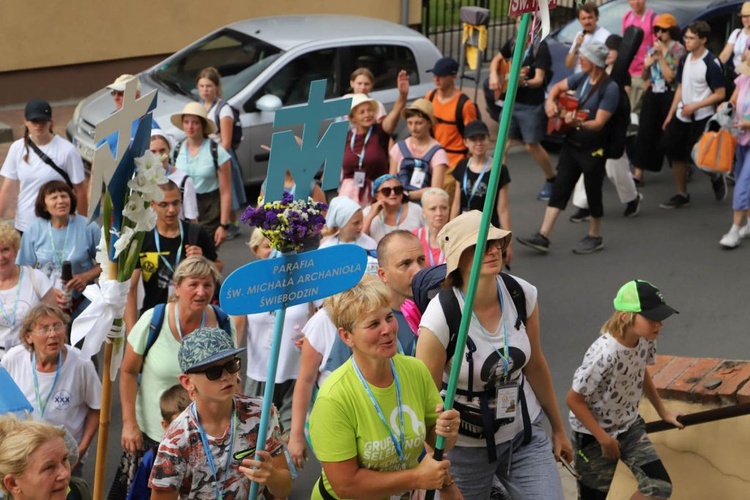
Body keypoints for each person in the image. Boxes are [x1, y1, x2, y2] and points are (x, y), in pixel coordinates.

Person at [416, 211, 573, 499]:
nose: (492, 251)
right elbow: (423, 397)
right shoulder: (440, 317)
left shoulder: (521, 294)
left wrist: (559, 428)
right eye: (478, 246)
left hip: (522, 436)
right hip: (463, 451)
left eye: (495, 243)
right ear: (458, 258)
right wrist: (429, 460)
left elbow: (535, 363)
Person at [309, 275, 461, 499]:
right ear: (346, 336)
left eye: (389, 317)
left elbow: (439, 441)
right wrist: (416, 478)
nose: (387, 329)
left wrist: (447, 429)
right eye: (373, 324)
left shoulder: (415, 371)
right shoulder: (334, 398)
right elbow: (345, 485)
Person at [112, 257, 235, 499]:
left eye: (208, 285)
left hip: (204, 437)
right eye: (194, 284)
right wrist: (129, 424)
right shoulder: (153, 321)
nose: (201, 292)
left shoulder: (222, 323)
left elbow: (231, 376)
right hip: (154, 436)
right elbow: (127, 372)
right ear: (177, 287)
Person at [566, 280, 683, 499]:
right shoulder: (604, 354)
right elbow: (574, 400)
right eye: (652, 318)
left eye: (660, 318)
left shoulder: (645, 339)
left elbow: (641, 372)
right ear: (625, 317)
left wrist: (663, 412)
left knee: (659, 487)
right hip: (593, 436)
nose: (659, 324)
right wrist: (604, 439)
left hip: (629, 426)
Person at [149, 327, 292, 499]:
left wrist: (273, 478)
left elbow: (284, 489)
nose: (226, 376)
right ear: (187, 382)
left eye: (231, 365)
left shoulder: (261, 413)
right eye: (213, 372)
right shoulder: (176, 440)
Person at [517, 42, 618, 255]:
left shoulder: (610, 89)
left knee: (593, 191)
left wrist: (578, 123)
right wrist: (550, 103)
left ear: (595, 62)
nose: (579, 60)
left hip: (593, 148)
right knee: (560, 186)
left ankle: (594, 234)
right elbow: (556, 88)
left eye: (584, 57)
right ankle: (543, 235)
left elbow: (599, 123)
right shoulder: (580, 78)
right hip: (572, 144)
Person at [233, 234, 318, 435]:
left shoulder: (305, 282)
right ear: (255, 250)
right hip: (260, 375)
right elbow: (236, 330)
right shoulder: (248, 285)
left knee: (289, 440)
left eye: (282, 246)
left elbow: (315, 320)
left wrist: (309, 340)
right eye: (267, 246)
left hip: (295, 374)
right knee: (256, 438)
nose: (276, 252)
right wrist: (233, 371)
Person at [1, 304, 101, 473]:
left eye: (57, 326)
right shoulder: (14, 358)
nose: (53, 334)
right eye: (44, 329)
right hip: (22, 456)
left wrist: (81, 449)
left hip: (63, 458)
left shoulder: (81, 363)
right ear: (28, 337)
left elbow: (97, 408)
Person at [124, 180, 220, 333]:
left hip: (192, 319)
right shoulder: (142, 238)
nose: (171, 210)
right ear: (152, 205)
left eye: (176, 203)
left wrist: (203, 261)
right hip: (156, 319)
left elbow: (218, 267)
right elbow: (131, 288)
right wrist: (132, 332)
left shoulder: (195, 233)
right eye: (164, 205)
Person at [569, 35, 642, 221]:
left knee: (615, 170)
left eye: (612, 50)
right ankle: (583, 205)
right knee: (586, 165)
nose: (608, 54)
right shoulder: (594, 71)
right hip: (593, 130)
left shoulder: (620, 73)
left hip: (613, 129)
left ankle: (632, 198)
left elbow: (623, 95)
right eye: (606, 50)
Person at [486, 20, 556, 201]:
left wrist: (522, 82)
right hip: (511, 101)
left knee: (531, 145)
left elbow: (539, 80)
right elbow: (496, 60)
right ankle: (497, 186)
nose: (521, 25)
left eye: (526, 22)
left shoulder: (540, 47)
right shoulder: (513, 42)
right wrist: (494, 74)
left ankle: (551, 179)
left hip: (530, 105)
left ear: (535, 25)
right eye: (519, 21)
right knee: (503, 144)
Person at [661, 21, 727, 209]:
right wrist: (670, 114)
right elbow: (681, 87)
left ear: (703, 40)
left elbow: (720, 94)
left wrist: (696, 105)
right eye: (686, 38)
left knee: (701, 159)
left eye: (691, 38)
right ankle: (682, 194)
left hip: (703, 116)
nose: (687, 42)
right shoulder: (684, 59)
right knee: (676, 154)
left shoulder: (711, 63)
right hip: (683, 114)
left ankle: (715, 176)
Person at [0, 99, 87, 235]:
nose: (38, 126)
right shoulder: (17, 148)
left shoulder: (67, 150)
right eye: (34, 121)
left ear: (50, 122)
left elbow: (80, 190)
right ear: (26, 122)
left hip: (57, 224)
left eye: (43, 121)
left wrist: (82, 226)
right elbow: (8, 189)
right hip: (25, 225)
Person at [17, 180, 101, 319]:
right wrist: (47, 291)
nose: (60, 201)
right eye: (54, 198)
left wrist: (85, 277)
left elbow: (107, 264)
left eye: (64, 196)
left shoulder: (88, 227)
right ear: (44, 205)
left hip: (83, 300)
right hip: (46, 302)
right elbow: (23, 270)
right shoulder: (34, 230)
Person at [339, 71, 410, 206]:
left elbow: (394, 115)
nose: (368, 114)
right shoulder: (348, 136)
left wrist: (403, 95)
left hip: (375, 195)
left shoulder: (380, 131)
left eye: (370, 110)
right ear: (353, 118)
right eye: (362, 112)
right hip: (348, 196)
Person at [632, 14, 686, 182]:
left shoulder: (678, 49)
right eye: (657, 30)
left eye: (664, 30)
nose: (660, 34)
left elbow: (671, 76)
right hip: (654, 91)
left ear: (671, 31)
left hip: (670, 93)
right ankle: (638, 173)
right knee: (645, 130)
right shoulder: (652, 48)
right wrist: (647, 67)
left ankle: (682, 166)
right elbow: (644, 76)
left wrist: (662, 55)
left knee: (669, 133)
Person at [451, 120, 513, 264]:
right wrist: (451, 231)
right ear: (466, 142)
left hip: (489, 229)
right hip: (465, 229)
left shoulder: (499, 169)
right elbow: (456, 203)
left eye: (482, 138)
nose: (478, 143)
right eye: (473, 139)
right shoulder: (461, 166)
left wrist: (508, 242)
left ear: (488, 139)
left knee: (491, 270)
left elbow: (502, 209)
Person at [170, 102, 232, 246]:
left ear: (203, 125)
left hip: (209, 207)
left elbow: (226, 192)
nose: (190, 127)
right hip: (184, 205)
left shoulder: (217, 152)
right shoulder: (176, 150)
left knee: (206, 253)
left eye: (195, 123)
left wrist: (223, 225)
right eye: (186, 122)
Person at [196, 67, 247, 240]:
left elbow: (225, 141)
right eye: (202, 86)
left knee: (227, 190)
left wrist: (215, 160)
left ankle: (232, 224)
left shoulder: (223, 110)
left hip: (221, 156)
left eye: (209, 86)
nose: (205, 90)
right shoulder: (200, 107)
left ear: (217, 87)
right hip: (207, 154)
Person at [425, 56, 479, 203]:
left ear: (453, 76)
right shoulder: (430, 97)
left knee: (441, 201)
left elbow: (472, 137)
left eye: (441, 76)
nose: (436, 79)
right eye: (435, 75)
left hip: (453, 163)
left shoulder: (465, 105)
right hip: (430, 158)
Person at [0, 223, 56, 361]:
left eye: (5, 250)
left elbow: (55, 319)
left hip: (32, 356)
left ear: (15, 250)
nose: (1, 257)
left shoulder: (36, 278)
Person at [127, 384, 191, 500]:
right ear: (166, 426)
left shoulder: (207, 451)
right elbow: (138, 494)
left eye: (191, 425)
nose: (186, 433)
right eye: (179, 426)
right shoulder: (153, 457)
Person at [389, 98, 448, 202]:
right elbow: (391, 181)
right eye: (410, 123)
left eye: (419, 123)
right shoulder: (399, 147)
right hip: (399, 204)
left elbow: (436, 190)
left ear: (429, 123)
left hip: (424, 206)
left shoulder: (438, 152)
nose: (413, 128)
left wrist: (408, 195)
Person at [0, 415, 72, 500]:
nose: (65, 473)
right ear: (13, 483)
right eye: (49, 467)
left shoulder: (77, 491)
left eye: (64, 459)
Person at [719, 61, 750, 248]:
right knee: (742, 179)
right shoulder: (744, 78)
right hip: (741, 139)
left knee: (743, 184)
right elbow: (732, 100)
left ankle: (734, 230)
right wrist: (725, 106)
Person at [149, 130, 199, 222]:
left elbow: (192, 219)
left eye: (162, 150)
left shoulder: (183, 180)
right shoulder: (142, 180)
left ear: (169, 150)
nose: (158, 155)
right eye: (153, 152)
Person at [363, 174, 425, 242]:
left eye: (397, 189)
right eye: (386, 191)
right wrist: (371, 215)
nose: (393, 193)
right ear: (377, 196)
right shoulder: (367, 212)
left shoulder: (415, 209)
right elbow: (360, 240)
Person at [622, 0, 657, 115]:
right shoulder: (627, 16)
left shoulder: (653, 18)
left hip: (643, 75)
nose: (636, 2)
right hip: (627, 73)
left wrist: (650, 78)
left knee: (635, 112)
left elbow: (657, 50)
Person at [566, 3, 611, 72]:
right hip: (579, 77)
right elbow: (568, 65)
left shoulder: (606, 36)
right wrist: (576, 47)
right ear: (579, 20)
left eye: (590, 18)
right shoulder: (579, 35)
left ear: (596, 18)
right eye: (583, 18)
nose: (587, 22)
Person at [413, 188, 450, 266]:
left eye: (444, 208)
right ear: (423, 212)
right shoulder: (414, 237)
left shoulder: (457, 237)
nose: (439, 213)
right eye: (433, 209)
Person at [719, 3, 750, 78]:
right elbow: (724, 55)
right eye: (745, 16)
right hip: (736, 74)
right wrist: (716, 68)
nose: (748, 19)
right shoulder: (737, 33)